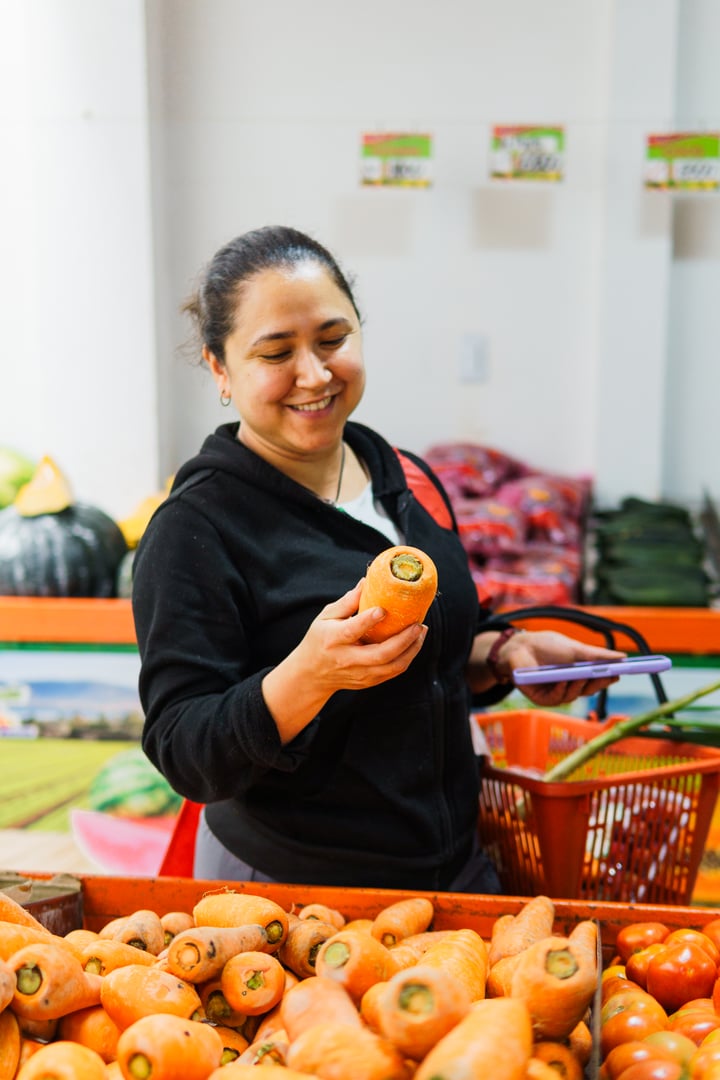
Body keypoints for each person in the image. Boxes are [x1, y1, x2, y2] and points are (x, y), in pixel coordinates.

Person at [131, 225, 624, 893]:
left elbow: (437, 650)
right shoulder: (197, 530)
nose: (315, 373)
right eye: (276, 352)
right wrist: (310, 674)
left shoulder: (403, 475)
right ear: (220, 368)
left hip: (455, 866)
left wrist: (505, 654)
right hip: (298, 893)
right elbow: (186, 751)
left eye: (333, 340)